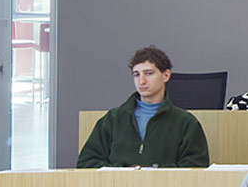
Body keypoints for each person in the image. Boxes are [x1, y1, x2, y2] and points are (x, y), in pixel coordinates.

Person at [77, 46, 211, 168]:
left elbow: (195, 167)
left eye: (148, 73)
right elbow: (87, 163)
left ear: (166, 75)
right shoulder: (113, 119)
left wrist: (152, 172)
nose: (141, 81)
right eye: (136, 74)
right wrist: (124, 171)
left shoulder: (185, 123)